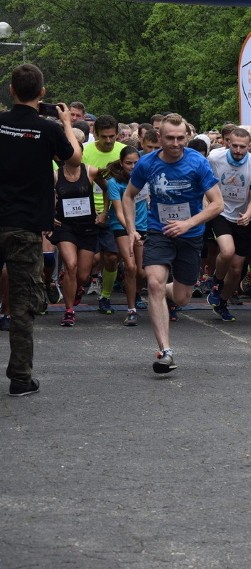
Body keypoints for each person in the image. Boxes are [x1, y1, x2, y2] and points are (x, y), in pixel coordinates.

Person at [121, 114, 224, 373]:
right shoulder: (147, 164)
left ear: (187, 137)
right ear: (160, 137)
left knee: (182, 297)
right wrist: (132, 229)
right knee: (154, 282)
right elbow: (129, 195)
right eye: (170, 138)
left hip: (189, 236)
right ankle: (165, 351)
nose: (175, 143)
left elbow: (217, 204)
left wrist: (188, 224)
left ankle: (169, 292)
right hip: (159, 232)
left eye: (180, 138)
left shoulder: (198, 163)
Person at [0, 64, 79, 396]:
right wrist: (65, 124)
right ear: (42, 94)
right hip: (25, 226)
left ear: (11, 91)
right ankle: (20, 378)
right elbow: (74, 159)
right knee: (21, 302)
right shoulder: (47, 130)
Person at [205, 127, 251, 322]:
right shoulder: (215, 158)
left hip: (244, 217)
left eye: (243, 147)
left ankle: (221, 301)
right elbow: (207, 183)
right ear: (227, 143)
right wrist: (209, 206)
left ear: (250, 146)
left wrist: (248, 214)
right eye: (235, 146)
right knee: (227, 251)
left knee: (238, 268)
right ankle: (216, 282)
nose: (238, 150)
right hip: (221, 212)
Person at [50, 128, 101, 327]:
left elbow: (109, 188)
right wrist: (50, 215)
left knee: (83, 274)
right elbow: (44, 196)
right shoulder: (55, 175)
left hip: (87, 226)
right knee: (70, 265)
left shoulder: (90, 171)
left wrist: (104, 212)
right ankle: (69, 310)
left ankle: (77, 287)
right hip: (65, 226)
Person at [82, 114, 126, 315]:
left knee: (111, 257)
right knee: (88, 261)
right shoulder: (84, 151)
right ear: (95, 133)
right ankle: (82, 284)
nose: (109, 141)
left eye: (112, 136)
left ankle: (106, 296)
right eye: (104, 137)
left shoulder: (122, 152)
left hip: (114, 211)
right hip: (86, 210)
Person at [104, 146, 145, 326]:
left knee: (142, 272)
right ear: (121, 163)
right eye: (129, 163)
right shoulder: (114, 182)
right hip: (122, 227)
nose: (133, 166)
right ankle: (131, 310)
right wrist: (130, 229)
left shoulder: (146, 179)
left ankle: (136, 292)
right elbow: (119, 211)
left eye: (136, 163)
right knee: (131, 267)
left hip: (144, 226)